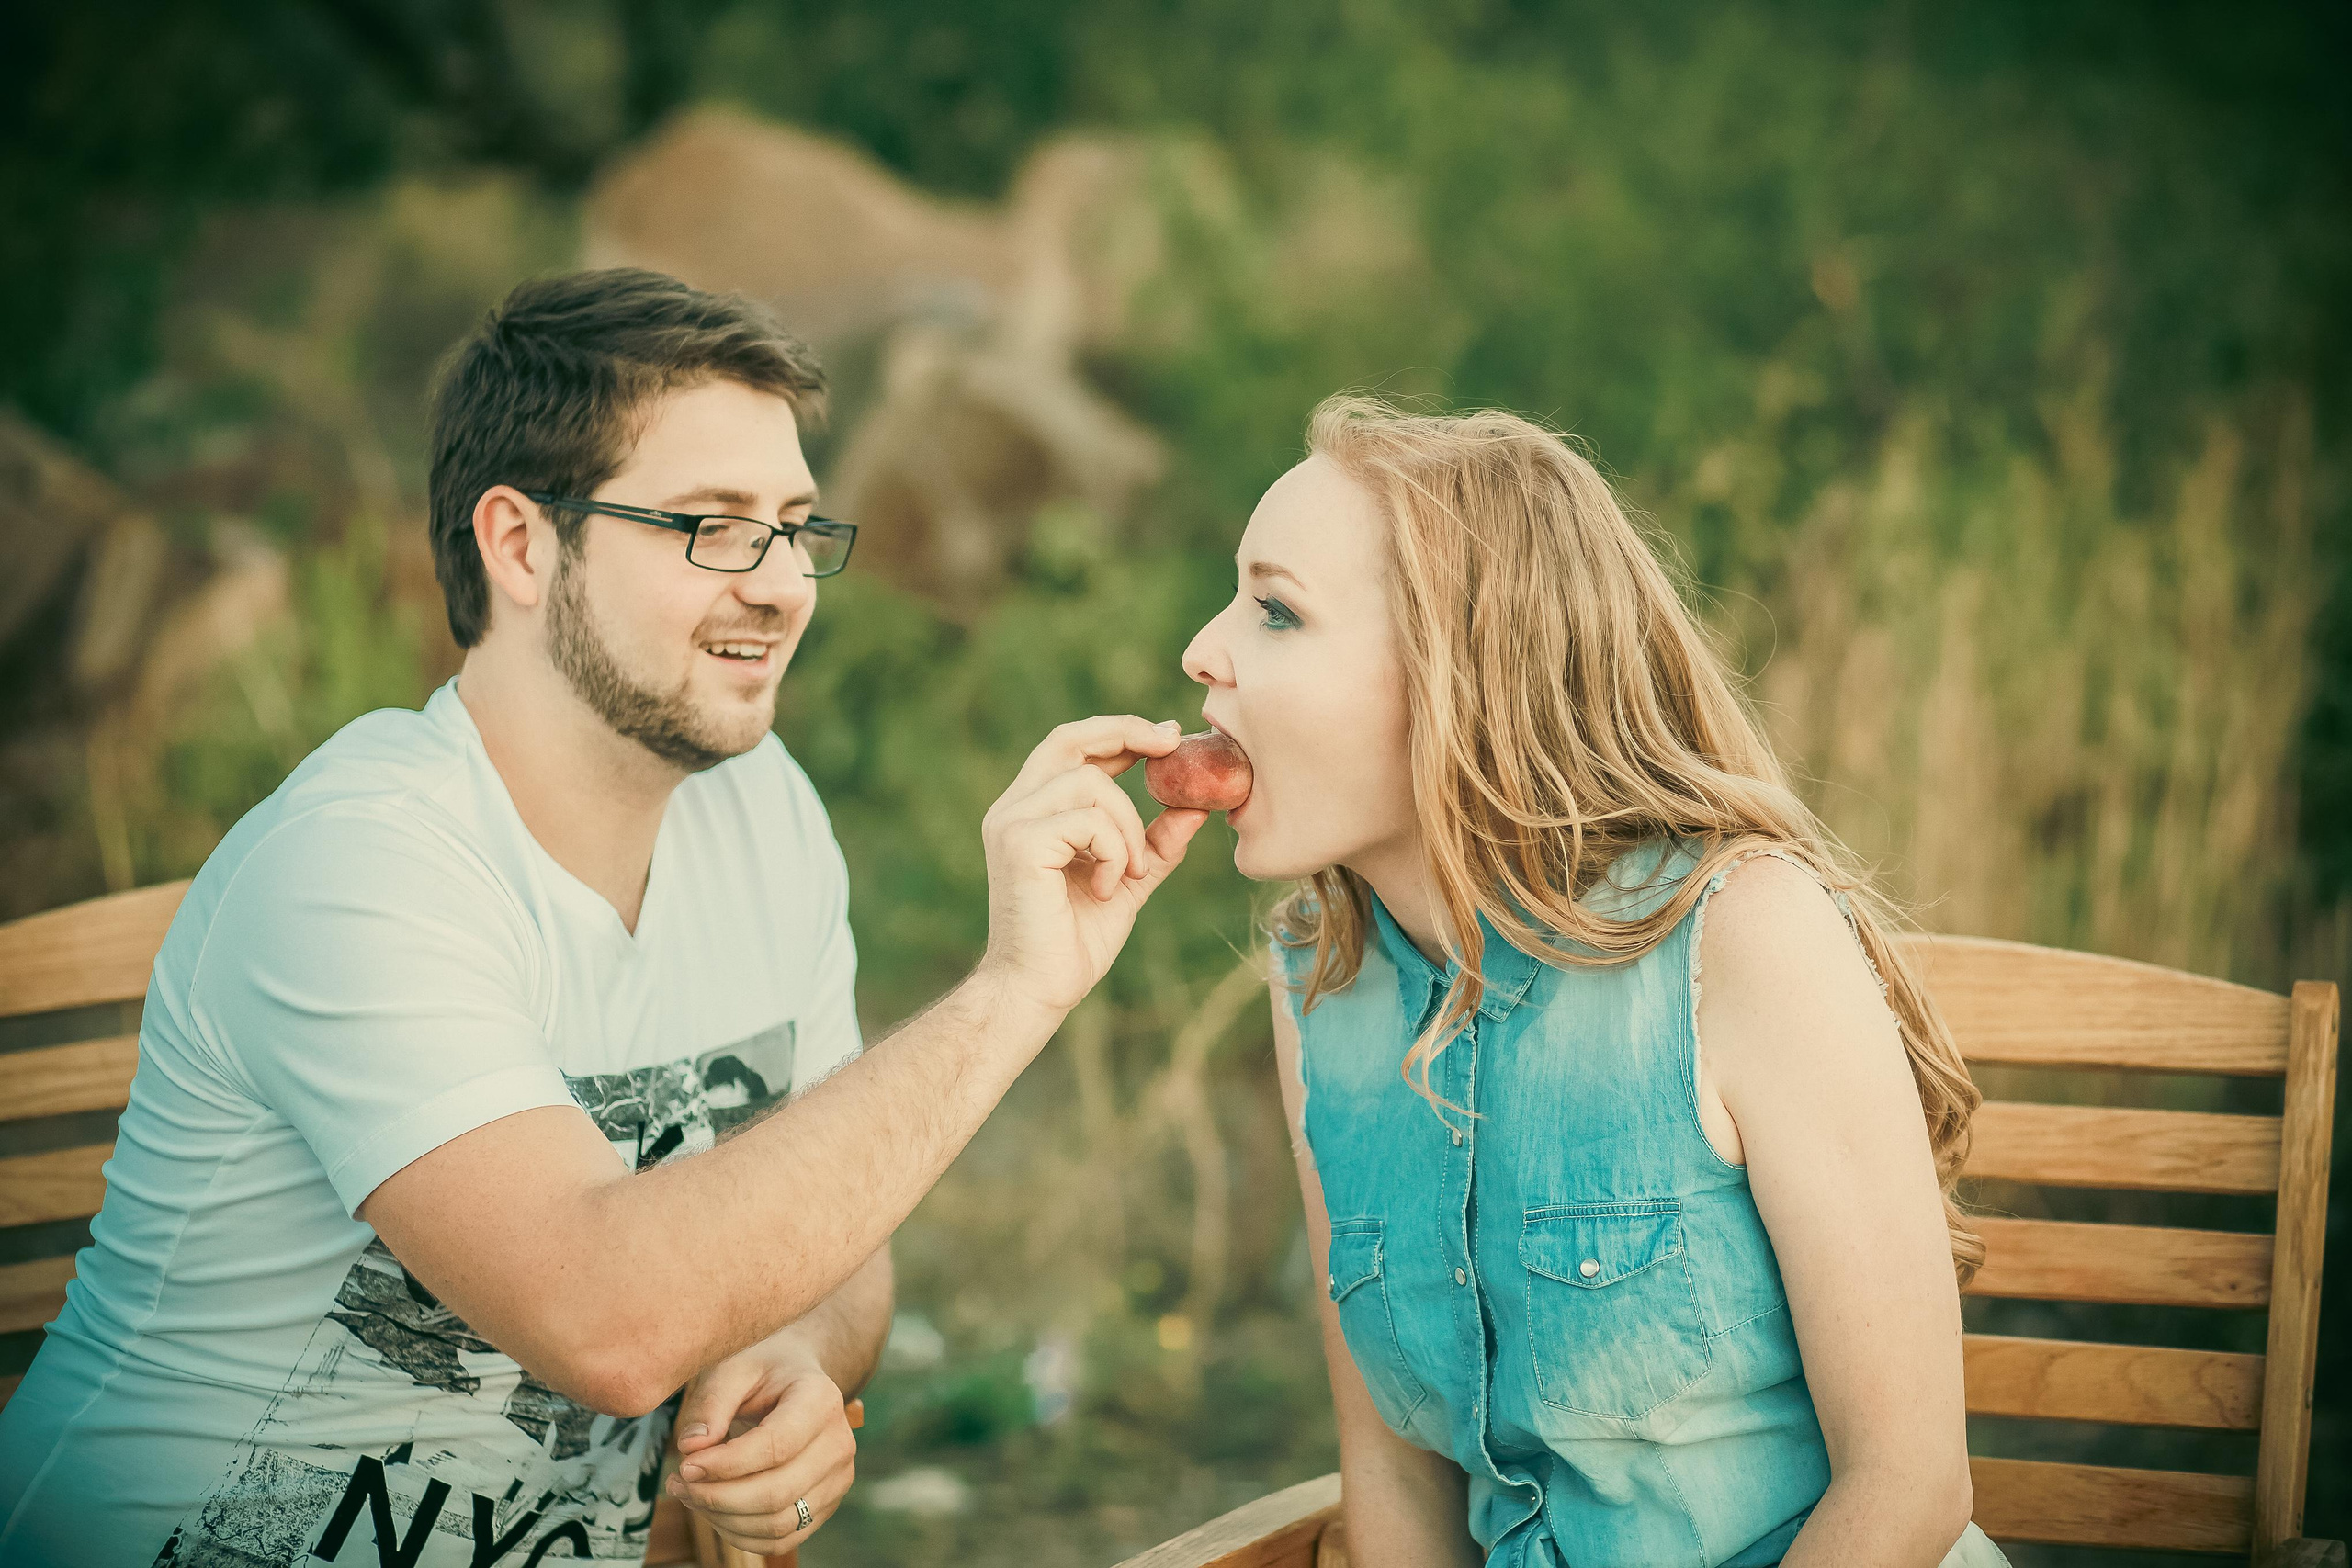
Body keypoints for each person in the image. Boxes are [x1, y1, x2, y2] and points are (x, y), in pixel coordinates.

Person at [0, 269, 1208, 1566]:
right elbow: (612, 1320)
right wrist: (1013, 988)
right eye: (710, 524)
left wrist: (798, 1352)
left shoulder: (765, 809)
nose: (785, 583)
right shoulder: (359, 862)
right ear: (520, 543)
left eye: (797, 525)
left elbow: (840, 1233)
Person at [1180, 396, 2006, 1568]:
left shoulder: (1744, 935)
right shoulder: (1320, 980)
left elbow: (1909, 1487)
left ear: (1461, 672)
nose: (1201, 650)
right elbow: (1398, 1480)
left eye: (1274, 611)